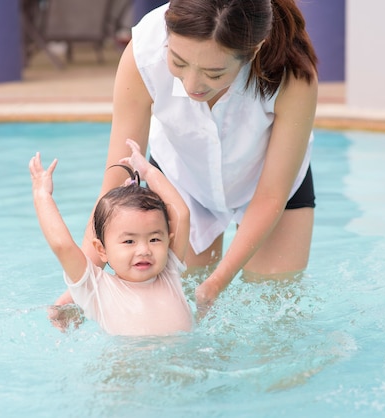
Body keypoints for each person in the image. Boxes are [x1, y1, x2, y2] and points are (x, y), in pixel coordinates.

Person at [56, 0, 318, 317]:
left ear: (252, 51)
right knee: (178, 307)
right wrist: (83, 284)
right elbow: (117, 180)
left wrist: (217, 283)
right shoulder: (144, 51)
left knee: (275, 312)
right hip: (182, 179)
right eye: (178, 62)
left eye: (214, 72)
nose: (192, 85)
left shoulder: (291, 70)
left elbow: (270, 195)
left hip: (269, 186)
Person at [29, 139, 193, 336]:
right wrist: (42, 195)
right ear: (102, 250)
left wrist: (149, 172)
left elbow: (181, 214)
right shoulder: (97, 288)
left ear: (168, 241)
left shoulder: (169, 271)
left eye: (154, 239)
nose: (144, 250)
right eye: (129, 241)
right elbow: (62, 245)